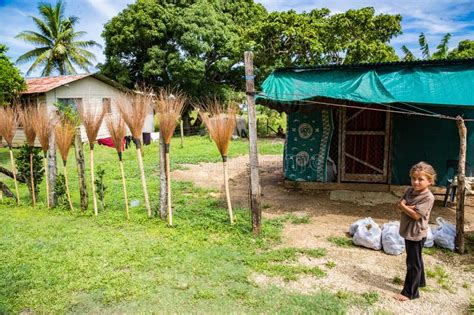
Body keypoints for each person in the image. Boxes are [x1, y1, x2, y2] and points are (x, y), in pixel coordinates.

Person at [394, 161, 436, 301]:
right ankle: (420, 282)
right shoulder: (409, 191)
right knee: (416, 259)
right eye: (413, 178)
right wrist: (406, 206)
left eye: (420, 179)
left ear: (429, 181)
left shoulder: (428, 197)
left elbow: (416, 215)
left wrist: (404, 206)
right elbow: (401, 204)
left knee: (413, 262)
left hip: (416, 233)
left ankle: (410, 292)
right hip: (408, 230)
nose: (416, 182)